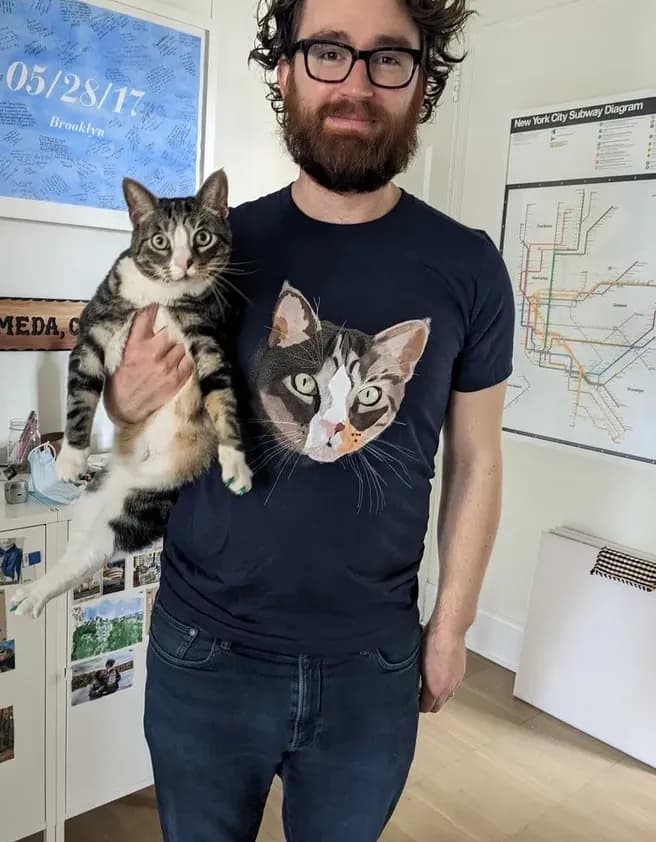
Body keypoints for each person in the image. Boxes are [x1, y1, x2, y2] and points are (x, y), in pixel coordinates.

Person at [105, 0, 515, 839]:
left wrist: (454, 624)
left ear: (421, 82)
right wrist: (120, 400)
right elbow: (137, 425)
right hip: (205, 652)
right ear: (284, 69)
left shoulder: (468, 265)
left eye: (387, 59)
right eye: (328, 52)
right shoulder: (211, 251)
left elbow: (476, 459)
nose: (356, 82)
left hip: (374, 662)